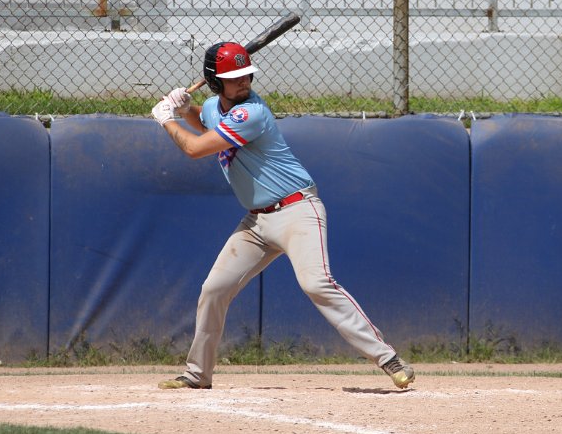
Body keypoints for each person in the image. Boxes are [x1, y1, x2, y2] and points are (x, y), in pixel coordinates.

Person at [150, 41, 415, 390]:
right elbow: (206, 120)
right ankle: (198, 374)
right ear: (215, 82)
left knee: (316, 283)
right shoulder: (216, 106)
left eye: (246, 75)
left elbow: (195, 148)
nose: (243, 82)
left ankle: (388, 358)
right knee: (214, 288)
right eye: (234, 77)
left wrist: (167, 120)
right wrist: (186, 110)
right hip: (256, 222)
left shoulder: (252, 113)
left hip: (296, 210)